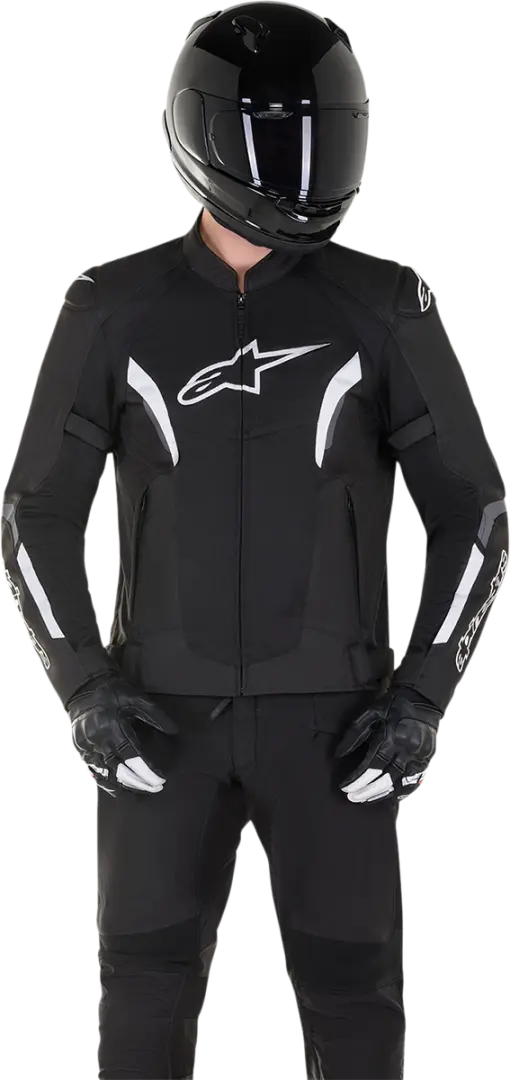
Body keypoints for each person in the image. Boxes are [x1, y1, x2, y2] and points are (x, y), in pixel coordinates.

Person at [1, 4, 508, 1078]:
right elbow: (37, 512)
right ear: (202, 132)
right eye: (277, 136)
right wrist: (84, 686)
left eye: (325, 131)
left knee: (357, 1003)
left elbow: (473, 506)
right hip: (157, 723)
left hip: (339, 729)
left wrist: (422, 696)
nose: (303, 164)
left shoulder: (384, 307)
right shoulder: (111, 309)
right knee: (143, 996)